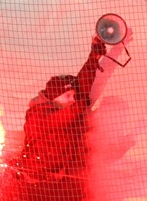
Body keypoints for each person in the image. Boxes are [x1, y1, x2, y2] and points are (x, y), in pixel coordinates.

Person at [13, 38, 108, 181]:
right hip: (32, 177)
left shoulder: (63, 105)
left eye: (73, 96)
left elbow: (81, 84)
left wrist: (94, 57)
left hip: (55, 177)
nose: (72, 99)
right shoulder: (38, 115)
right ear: (54, 98)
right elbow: (61, 118)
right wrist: (80, 105)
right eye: (68, 95)